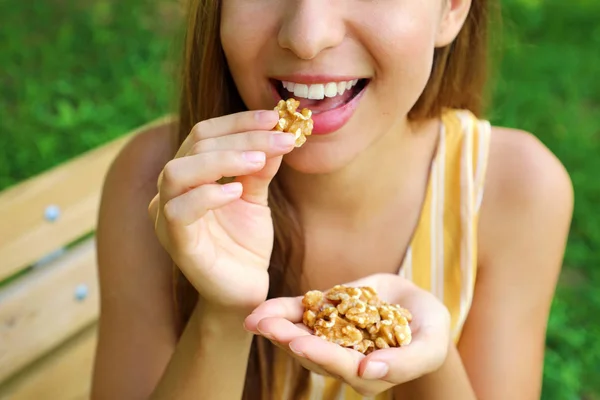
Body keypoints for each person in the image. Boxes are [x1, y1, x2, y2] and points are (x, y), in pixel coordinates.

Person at [90, 0, 574, 399]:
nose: (307, 35)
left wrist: (429, 358)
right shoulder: (161, 188)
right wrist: (222, 313)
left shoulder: (512, 190)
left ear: (450, 8)